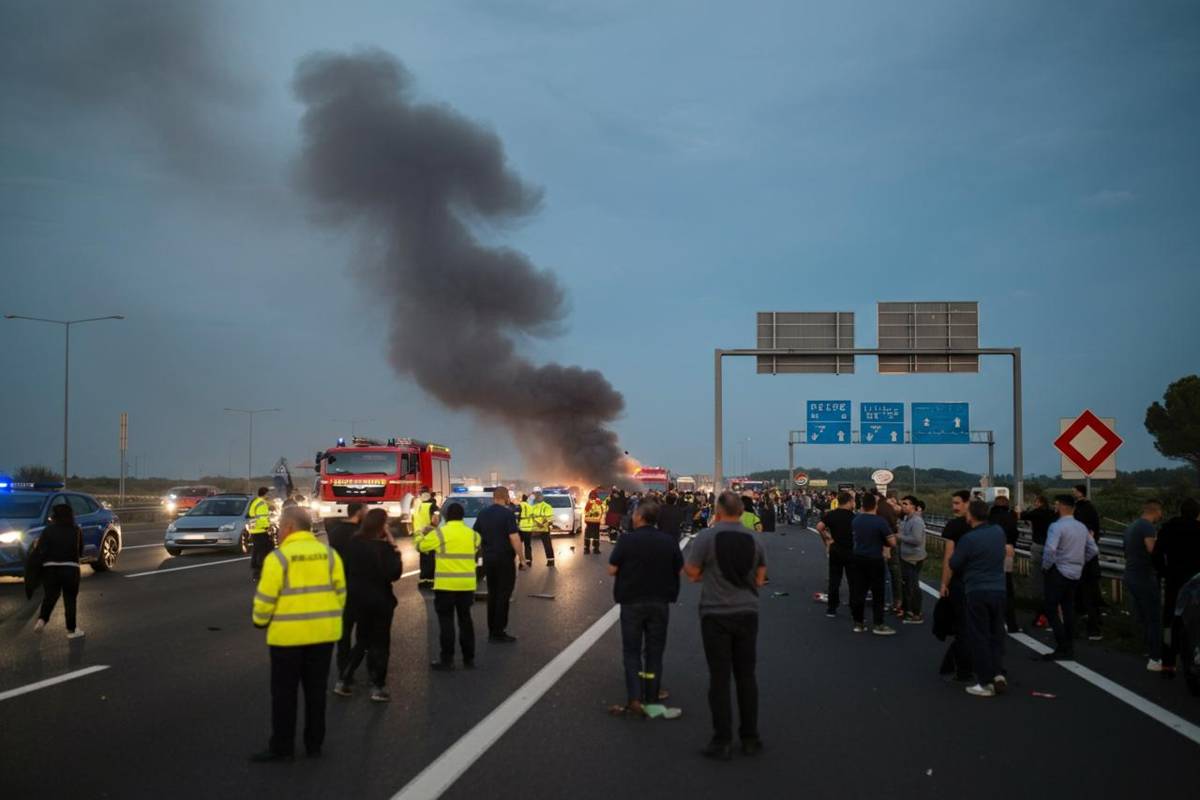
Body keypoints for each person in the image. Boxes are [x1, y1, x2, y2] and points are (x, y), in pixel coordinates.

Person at [250, 506, 346, 762]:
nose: (278, 531)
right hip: (323, 637)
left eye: (281, 526)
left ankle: (283, 747)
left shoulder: (278, 558)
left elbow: (265, 599)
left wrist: (259, 621)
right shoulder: (329, 554)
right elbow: (340, 593)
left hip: (287, 639)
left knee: (284, 695)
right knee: (316, 693)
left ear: (290, 527)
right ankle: (314, 745)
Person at [684, 492, 767, 760]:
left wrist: (709, 574)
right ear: (742, 511)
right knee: (746, 676)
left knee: (719, 678)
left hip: (715, 614)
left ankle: (722, 740)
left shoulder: (707, 537)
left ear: (717, 511)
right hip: (747, 613)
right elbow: (760, 578)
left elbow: (693, 573)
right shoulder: (754, 538)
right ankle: (750, 738)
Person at [607, 499, 683, 716]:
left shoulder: (627, 540)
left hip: (631, 603)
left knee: (631, 652)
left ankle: (634, 697)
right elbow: (679, 569)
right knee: (654, 652)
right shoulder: (668, 541)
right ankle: (651, 695)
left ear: (639, 517)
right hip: (660, 603)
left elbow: (612, 570)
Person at [335, 508, 401, 701]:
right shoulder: (384, 548)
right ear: (381, 526)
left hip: (358, 599)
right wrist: (393, 545)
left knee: (363, 640)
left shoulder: (354, 543)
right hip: (380, 600)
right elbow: (395, 573)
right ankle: (378, 686)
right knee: (380, 642)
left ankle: (344, 679)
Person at [949, 500, 1009, 697]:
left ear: (971, 516)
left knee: (979, 635)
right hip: (999, 589)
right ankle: (998, 672)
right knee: (996, 632)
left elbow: (955, 563)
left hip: (977, 590)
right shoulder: (998, 532)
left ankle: (985, 682)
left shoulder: (969, 539)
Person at [417, 502, 481, 670]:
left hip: (445, 585)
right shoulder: (473, 535)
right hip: (466, 585)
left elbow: (421, 546)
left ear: (446, 516)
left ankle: (447, 660)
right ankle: (469, 659)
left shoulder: (440, 533)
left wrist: (419, 533)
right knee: (465, 620)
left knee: (446, 622)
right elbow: (476, 548)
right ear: (462, 516)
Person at [1041, 494, 1098, 661]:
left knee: (1051, 607)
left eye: (1056, 504)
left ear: (1060, 506)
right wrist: (1080, 561)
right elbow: (1093, 549)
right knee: (1068, 609)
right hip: (1075, 572)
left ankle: (1062, 645)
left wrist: (1046, 566)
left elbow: (1050, 549)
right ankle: (1069, 648)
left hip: (1058, 571)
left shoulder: (1056, 527)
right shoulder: (1081, 527)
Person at [1154, 498, 1200, 678]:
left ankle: (1168, 664)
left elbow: (1157, 554)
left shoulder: (1168, 528)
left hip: (1175, 581)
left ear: (1181, 511)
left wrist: (1165, 572)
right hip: (1197, 582)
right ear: (1197, 513)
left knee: (1170, 622)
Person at [475, 486, 524, 642]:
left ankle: (492, 629)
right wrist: (522, 558)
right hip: (504, 560)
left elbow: (476, 536)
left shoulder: (483, 514)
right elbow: (514, 538)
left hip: (488, 559)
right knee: (504, 595)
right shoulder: (507, 514)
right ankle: (499, 631)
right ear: (506, 497)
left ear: (493, 498)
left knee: (493, 593)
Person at [31, 503, 85, 639]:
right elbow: (80, 551)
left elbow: (41, 550)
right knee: (70, 599)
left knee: (50, 596)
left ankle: (42, 620)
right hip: (70, 568)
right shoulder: (76, 530)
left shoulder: (48, 530)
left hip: (50, 569)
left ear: (54, 516)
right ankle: (72, 630)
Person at [1122, 499, 1164, 672]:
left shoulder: (1132, 526)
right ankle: (1156, 658)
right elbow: (1152, 550)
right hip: (1143, 576)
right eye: (1161, 512)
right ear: (1156, 510)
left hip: (1130, 574)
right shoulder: (1148, 527)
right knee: (1154, 618)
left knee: (1143, 616)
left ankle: (1146, 649)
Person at [849, 492, 897, 636]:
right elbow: (892, 542)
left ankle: (858, 623)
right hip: (875, 559)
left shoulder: (856, 520)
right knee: (878, 593)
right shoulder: (880, 521)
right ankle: (878, 624)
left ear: (862, 505)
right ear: (875, 505)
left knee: (859, 591)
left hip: (858, 558)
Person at [939, 490, 974, 682]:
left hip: (960, 582)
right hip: (982, 584)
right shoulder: (988, 527)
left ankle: (964, 670)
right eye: (953, 503)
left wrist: (944, 583)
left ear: (969, 503)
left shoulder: (954, 526)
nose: (954, 507)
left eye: (958, 503)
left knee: (962, 626)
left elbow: (949, 558)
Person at [328, 503, 366, 682]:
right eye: (365, 510)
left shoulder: (335, 531)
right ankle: (352, 667)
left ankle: (343, 668)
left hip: (340, 588)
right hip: (360, 587)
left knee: (343, 634)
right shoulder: (363, 533)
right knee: (365, 633)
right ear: (359, 513)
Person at [816, 492, 856, 618]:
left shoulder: (831, 515)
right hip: (850, 551)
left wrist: (828, 539)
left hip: (835, 550)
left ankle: (832, 608)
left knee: (834, 580)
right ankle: (854, 606)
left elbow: (819, 527)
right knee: (853, 580)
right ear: (849, 502)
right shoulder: (854, 517)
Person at [1073, 485, 1104, 641]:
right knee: (1088, 595)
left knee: (1087, 595)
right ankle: (1091, 625)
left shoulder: (1085, 510)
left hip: (1084, 564)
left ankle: (1092, 626)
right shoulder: (1088, 509)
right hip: (1087, 564)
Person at [1020, 495, 1055, 629]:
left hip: (1039, 546)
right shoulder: (1053, 513)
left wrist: (1021, 510)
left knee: (1038, 581)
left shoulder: (1036, 513)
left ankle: (1041, 613)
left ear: (1039, 503)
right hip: (1052, 548)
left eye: (1035, 502)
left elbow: (1022, 516)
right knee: (1051, 581)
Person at [989, 496, 1020, 633]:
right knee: (1007, 587)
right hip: (1007, 552)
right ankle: (1011, 623)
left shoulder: (989, 517)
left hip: (989, 555)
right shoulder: (1010, 517)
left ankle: (991, 620)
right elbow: (1014, 533)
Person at [898, 496, 926, 624]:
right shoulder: (905, 519)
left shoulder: (916, 521)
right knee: (907, 584)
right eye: (902, 504)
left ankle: (917, 613)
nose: (903, 506)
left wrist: (900, 537)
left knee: (913, 586)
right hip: (905, 556)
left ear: (914, 506)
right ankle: (907, 609)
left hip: (914, 558)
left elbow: (917, 540)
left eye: (906, 504)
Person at [412, 487, 440, 589]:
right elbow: (435, 519)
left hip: (418, 535)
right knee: (430, 559)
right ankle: (430, 581)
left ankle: (423, 580)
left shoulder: (418, 505)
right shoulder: (432, 506)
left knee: (424, 558)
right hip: (429, 534)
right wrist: (433, 527)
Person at [521, 491, 555, 567]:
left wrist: (542, 524)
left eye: (536, 496)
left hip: (543, 529)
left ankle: (550, 560)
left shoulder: (547, 506)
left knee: (547, 545)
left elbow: (548, 518)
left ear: (541, 497)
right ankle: (528, 561)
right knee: (527, 545)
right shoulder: (532, 506)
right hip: (532, 528)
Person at [248, 487, 274, 582]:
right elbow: (262, 518)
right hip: (261, 530)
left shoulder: (255, 502)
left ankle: (257, 571)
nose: (269, 495)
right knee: (264, 551)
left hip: (255, 530)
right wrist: (268, 527)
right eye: (268, 493)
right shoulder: (262, 504)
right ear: (265, 493)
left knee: (257, 551)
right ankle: (259, 573)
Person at [583, 490, 606, 554]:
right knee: (596, 536)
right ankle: (596, 549)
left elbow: (585, 511)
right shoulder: (599, 502)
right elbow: (604, 509)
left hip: (589, 522)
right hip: (596, 521)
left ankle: (586, 549)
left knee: (587, 535)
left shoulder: (588, 502)